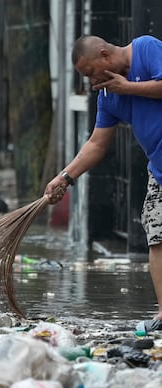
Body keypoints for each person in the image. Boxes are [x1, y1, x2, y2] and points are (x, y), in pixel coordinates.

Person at [44, 34, 162, 332]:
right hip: (159, 171)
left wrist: (130, 87)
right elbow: (97, 144)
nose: (91, 81)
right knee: (157, 237)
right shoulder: (108, 97)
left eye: (90, 73)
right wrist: (65, 177)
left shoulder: (145, 48)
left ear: (104, 55)